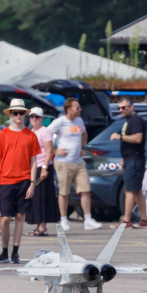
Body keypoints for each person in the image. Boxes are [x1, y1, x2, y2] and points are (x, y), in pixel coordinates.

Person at [0, 99, 41, 264]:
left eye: (21, 112)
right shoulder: (3, 134)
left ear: (24, 114)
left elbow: (34, 161)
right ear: (11, 114)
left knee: (20, 216)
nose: (18, 115)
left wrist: (33, 182)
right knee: (5, 218)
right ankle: (4, 251)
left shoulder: (30, 135)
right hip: (6, 180)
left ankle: (15, 252)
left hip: (24, 180)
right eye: (15, 112)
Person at [48, 98, 102, 231]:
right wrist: (54, 150)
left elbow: (84, 133)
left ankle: (88, 219)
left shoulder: (79, 120)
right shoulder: (60, 122)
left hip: (78, 162)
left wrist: (83, 147)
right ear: (69, 110)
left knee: (85, 190)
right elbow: (46, 135)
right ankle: (64, 219)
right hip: (63, 163)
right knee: (64, 192)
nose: (80, 109)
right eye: (77, 108)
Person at [110, 96, 147, 229]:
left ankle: (126, 220)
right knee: (137, 190)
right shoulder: (128, 121)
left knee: (130, 190)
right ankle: (144, 219)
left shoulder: (136, 120)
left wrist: (119, 136)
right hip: (129, 159)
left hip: (135, 160)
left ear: (131, 107)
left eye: (123, 107)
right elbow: (127, 143)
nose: (121, 110)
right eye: (119, 108)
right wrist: (123, 158)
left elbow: (138, 138)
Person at [25, 107, 59, 236]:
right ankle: (38, 225)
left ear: (42, 119)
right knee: (36, 197)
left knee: (43, 197)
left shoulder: (45, 131)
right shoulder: (29, 132)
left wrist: (44, 168)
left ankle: (42, 226)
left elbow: (49, 150)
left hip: (43, 166)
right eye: (32, 117)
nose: (34, 119)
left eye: (37, 117)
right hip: (33, 166)